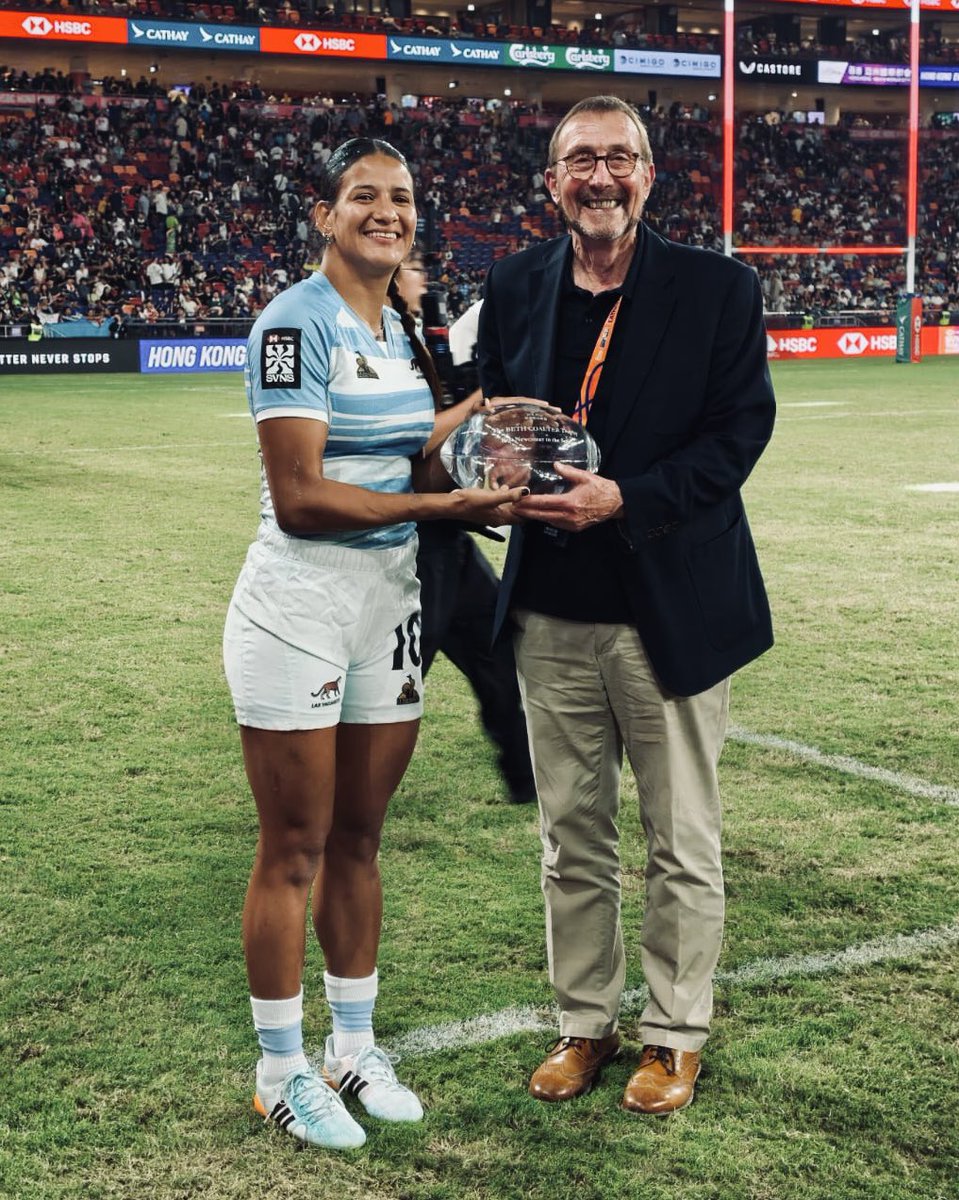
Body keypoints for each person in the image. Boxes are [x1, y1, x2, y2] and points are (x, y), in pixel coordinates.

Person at [223, 137, 527, 1152]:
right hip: (301, 605)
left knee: (360, 840)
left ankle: (352, 1047)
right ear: (324, 213)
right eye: (364, 196)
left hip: (389, 603)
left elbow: (407, 442)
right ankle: (280, 1071)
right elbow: (302, 499)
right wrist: (444, 499)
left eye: (400, 197)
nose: (386, 212)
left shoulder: (395, 322)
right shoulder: (290, 323)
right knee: (295, 848)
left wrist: (491, 415)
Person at [477, 96, 776, 1115]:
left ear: (648, 175)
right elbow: (492, 411)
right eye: (579, 161)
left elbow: (739, 437)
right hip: (552, 611)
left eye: (618, 158)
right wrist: (496, 468)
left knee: (681, 840)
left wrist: (626, 498)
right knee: (573, 837)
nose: (599, 177)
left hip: (670, 606)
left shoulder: (718, 289)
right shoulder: (516, 283)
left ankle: (675, 1035)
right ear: (552, 180)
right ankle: (585, 1025)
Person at [393, 251, 536, 806]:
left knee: (498, 650)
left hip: (446, 535)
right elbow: (418, 440)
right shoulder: (387, 348)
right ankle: (339, 789)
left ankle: (526, 782)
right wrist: (482, 400)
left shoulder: (426, 338)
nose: (420, 278)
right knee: (401, 677)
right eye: (411, 270)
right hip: (411, 542)